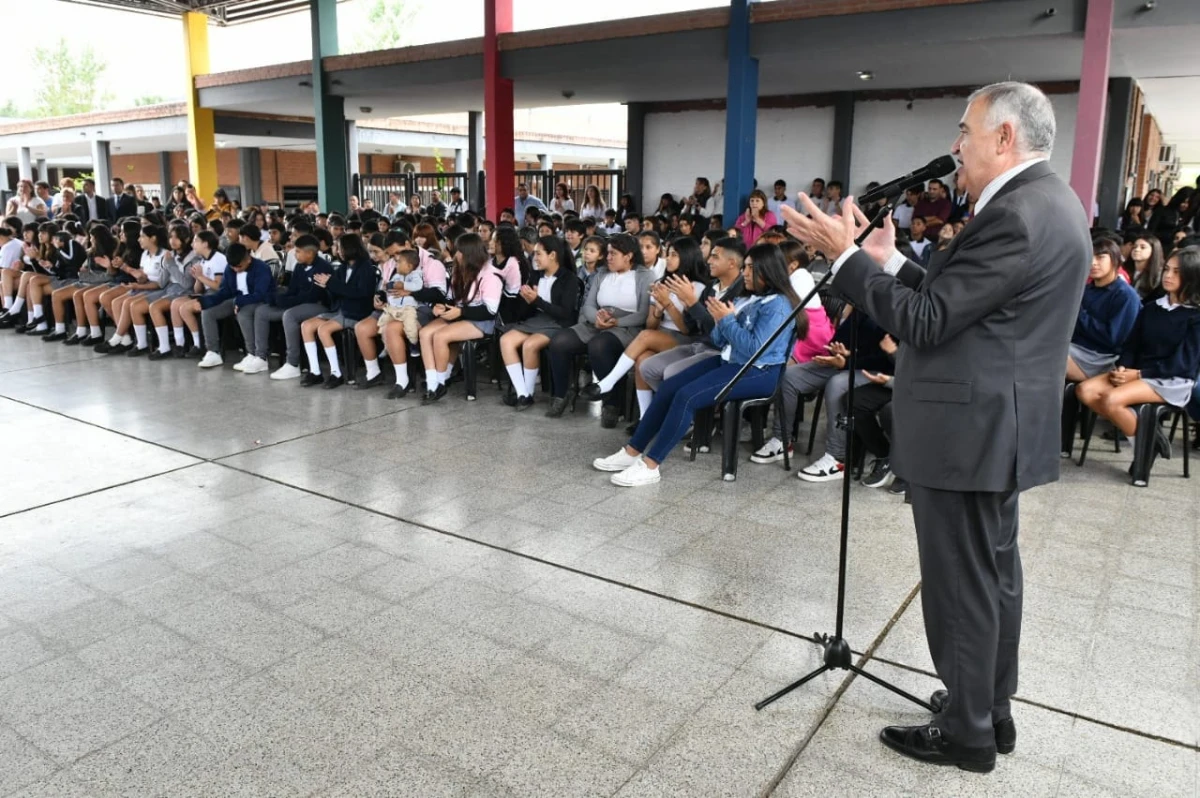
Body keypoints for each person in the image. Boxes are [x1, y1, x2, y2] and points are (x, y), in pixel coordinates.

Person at [782, 81, 1091, 773]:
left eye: (966, 131)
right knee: (992, 577)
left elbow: (925, 322)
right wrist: (889, 260)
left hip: (970, 428)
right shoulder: (1050, 201)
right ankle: (989, 707)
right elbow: (964, 301)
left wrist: (845, 261)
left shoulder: (1014, 213)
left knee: (959, 584)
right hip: (997, 424)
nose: (957, 146)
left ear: (1005, 137)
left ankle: (965, 731)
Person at [591, 243, 802, 486]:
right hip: (731, 360)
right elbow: (719, 340)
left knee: (687, 396)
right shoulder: (751, 298)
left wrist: (728, 321)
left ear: (767, 270)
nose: (745, 272)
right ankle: (632, 451)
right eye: (745, 266)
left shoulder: (779, 305)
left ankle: (651, 465)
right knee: (670, 386)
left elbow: (755, 349)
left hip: (759, 371)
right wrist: (721, 321)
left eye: (751, 268)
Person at [1077, 247, 1200, 485]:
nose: (1168, 275)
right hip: (1138, 373)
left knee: (1112, 400)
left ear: (1192, 277)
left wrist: (1140, 374)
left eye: (1177, 271)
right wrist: (1124, 367)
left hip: (1172, 378)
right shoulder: (1153, 307)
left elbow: (1183, 363)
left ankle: (1145, 449)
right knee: (1085, 391)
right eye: (1167, 269)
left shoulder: (1195, 316)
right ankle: (1152, 440)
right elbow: (1132, 343)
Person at [579, 236, 707, 420]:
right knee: (641, 360)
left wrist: (668, 305)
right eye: (668, 254)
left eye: (673, 255)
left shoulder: (696, 288)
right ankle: (646, 418)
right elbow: (650, 324)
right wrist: (657, 311)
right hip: (661, 335)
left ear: (687, 257)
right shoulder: (663, 284)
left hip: (685, 338)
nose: (667, 259)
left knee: (646, 336)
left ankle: (608, 382)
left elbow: (688, 330)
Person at [545, 234, 653, 425]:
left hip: (626, 326)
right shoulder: (601, 273)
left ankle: (611, 402)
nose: (608, 257)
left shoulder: (644, 276)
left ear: (628, 256)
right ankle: (562, 394)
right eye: (608, 253)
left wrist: (615, 323)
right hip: (595, 322)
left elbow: (643, 314)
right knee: (558, 342)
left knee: (599, 345)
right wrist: (596, 319)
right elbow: (588, 304)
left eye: (613, 253)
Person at [417, 232, 503, 402]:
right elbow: (451, 298)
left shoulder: (491, 274)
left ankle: (439, 384)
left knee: (441, 336)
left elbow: (490, 311)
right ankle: (433, 381)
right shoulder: (460, 270)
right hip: (459, 314)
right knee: (425, 334)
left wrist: (461, 312)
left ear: (469, 253)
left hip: (481, 321)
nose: (456, 254)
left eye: (459, 251)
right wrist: (441, 306)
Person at [499, 236, 582, 409]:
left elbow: (565, 313)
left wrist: (537, 301)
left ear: (552, 255)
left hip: (559, 323)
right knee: (506, 340)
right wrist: (526, 300)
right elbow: (526, 312)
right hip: (537, 320)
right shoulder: (535, 275)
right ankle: (523, 394)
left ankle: (527, 392)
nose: (534, 257)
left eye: (538, 254)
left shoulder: (569, 279)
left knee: (530, 345)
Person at [1065, 237, 1141, 384]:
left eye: (1100, 257)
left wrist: (1079, 315)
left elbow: (1113, 339)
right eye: (1091, 257)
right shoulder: (1086, 289)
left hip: (1102, 358)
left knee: (1047, 354)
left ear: (1115, 260)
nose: (1093, 263)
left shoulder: (1125, 295)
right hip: (1076, 347)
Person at [193, 243, 276, 370]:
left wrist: (239, 301)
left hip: (258, 301)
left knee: (243, 313)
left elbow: (261, 294)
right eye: (232, 267)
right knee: (208, 311)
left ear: (248, 259)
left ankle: (253, 353)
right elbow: (225, 291)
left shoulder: (261, 268)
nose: (236, 269)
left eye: (239, 266)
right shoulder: (230, 268)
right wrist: (205, 301)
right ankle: (213, 352)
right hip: (236, 300)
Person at [1123, 233, 1164, 300]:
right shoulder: (1124, 269)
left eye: (1142, 247)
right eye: (1134, 247)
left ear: (1153, 250)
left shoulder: (1159, 275)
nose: (1137, 249)